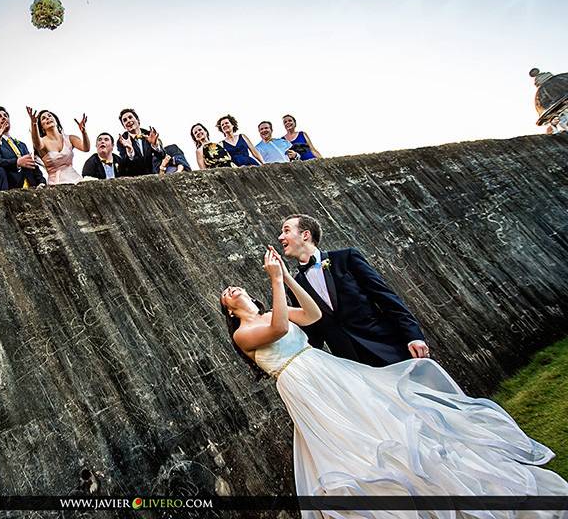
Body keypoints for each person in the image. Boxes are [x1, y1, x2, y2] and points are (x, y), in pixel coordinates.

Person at [222, 248, 568, 512]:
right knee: (348, 438)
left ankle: (433, 470)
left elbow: (312, 315)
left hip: (326, 369)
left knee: (382, 419)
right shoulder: (244, 333)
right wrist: (276, 282)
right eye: (226, 293)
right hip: (302, 383)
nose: (231, 289)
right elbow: (280, 328)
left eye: (234, 286)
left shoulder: (269, 310)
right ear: (228, 309)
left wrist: (287, 277)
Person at [279, 213, 428, 367]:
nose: (280, 237)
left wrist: (414, 336)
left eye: (286, 230)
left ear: (305, 235)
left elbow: (386, 298)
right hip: (352, 365)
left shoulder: (346, 258)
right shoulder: (295, 286)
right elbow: (313, 334)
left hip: (388, 348)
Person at [0, 106, 45, 189]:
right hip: (9, 187)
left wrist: (41, 182)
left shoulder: (22, 145)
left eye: (5, 115)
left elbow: (32, 164)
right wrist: (17, 162)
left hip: (31, 188)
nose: (4, 117)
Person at [27, 107, 89, 185]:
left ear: (56, 121)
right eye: (43, 118)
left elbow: (86, 148)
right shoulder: (42, 142)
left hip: (75, 179)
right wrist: (34, 124)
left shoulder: (70, 138)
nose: (47, 118)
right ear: (42, 127)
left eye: (49, 116)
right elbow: (37, 144)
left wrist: (84, 132)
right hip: (56, 183)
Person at [116, 108, 165, 177]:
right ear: (124, 126)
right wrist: (130, 151)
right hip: (134, 179)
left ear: (138, 120)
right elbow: (124, 164)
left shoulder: (150, 134)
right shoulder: (122, 141)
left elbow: (162, 155)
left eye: (130, 117)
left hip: (154, 176)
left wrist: (155, 145)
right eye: (125, 120)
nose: (128, 121)